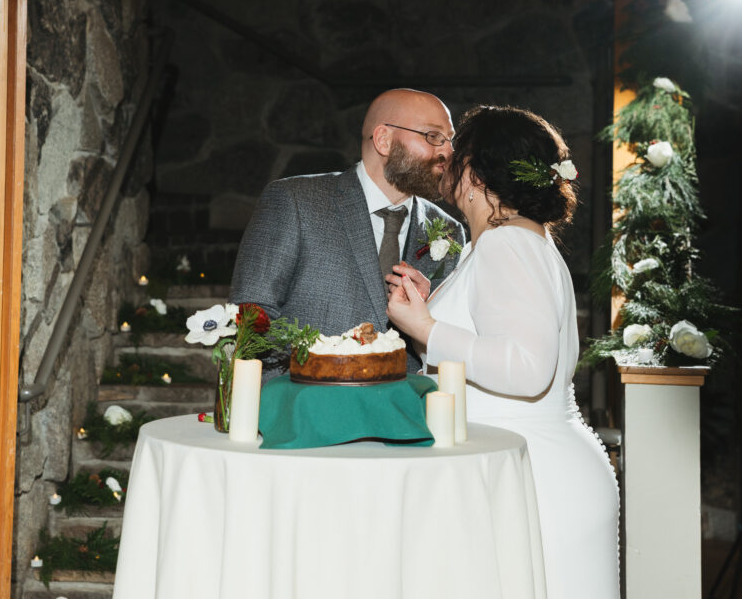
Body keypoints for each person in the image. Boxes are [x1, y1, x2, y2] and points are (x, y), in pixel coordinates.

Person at [387, 105, 620, 599]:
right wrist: (432, 311)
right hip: (525, 469)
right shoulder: (516, 240)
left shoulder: (507, 244)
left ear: (473, 172)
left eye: (455, 155)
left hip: (532, 479)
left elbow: (527, 368)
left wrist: (427, 327)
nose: (444, 163)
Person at [230, 88, 465, 377]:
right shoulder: (296, 201)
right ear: (384, 140)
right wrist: (286, 402)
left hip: (401, 409)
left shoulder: (450, 232)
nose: (447, 152)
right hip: (304, 404)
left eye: (450, 141)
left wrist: (428, 312)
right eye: (433, 136)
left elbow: (444, 339)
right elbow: (253, 314)